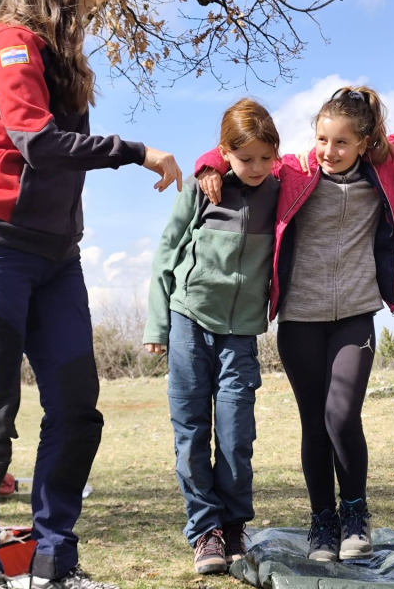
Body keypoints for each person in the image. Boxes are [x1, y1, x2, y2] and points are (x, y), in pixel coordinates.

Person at [0, 0, 182, 589]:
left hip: (57, 260)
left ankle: (54, 565)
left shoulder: (59, 52)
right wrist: (134, 151)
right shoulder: (8, 42)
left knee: (76, 411)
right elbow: (37, 144)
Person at [196, 88, 394, 562]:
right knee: (314, 420)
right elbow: (239, 147)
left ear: (365, 142)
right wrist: (209, 163)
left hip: (355, 314)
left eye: (341, 143)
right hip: (300, 320)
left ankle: (354, 513)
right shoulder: (295, 169)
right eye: (322, 139)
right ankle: (322, 521)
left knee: (342, 416)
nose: (329, 151)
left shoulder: (382, 166)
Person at [143, 99, 280, 575]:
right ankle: (206, 531)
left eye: (267, 157)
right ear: (226, 153)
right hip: (188, 322)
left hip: (241, 334)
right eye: (246, 159)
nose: (258, 167)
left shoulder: (282, 191)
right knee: (191, 431)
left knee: (238, 433)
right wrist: (156, 324)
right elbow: (166, 253)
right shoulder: (204, 190)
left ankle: (236, 524)